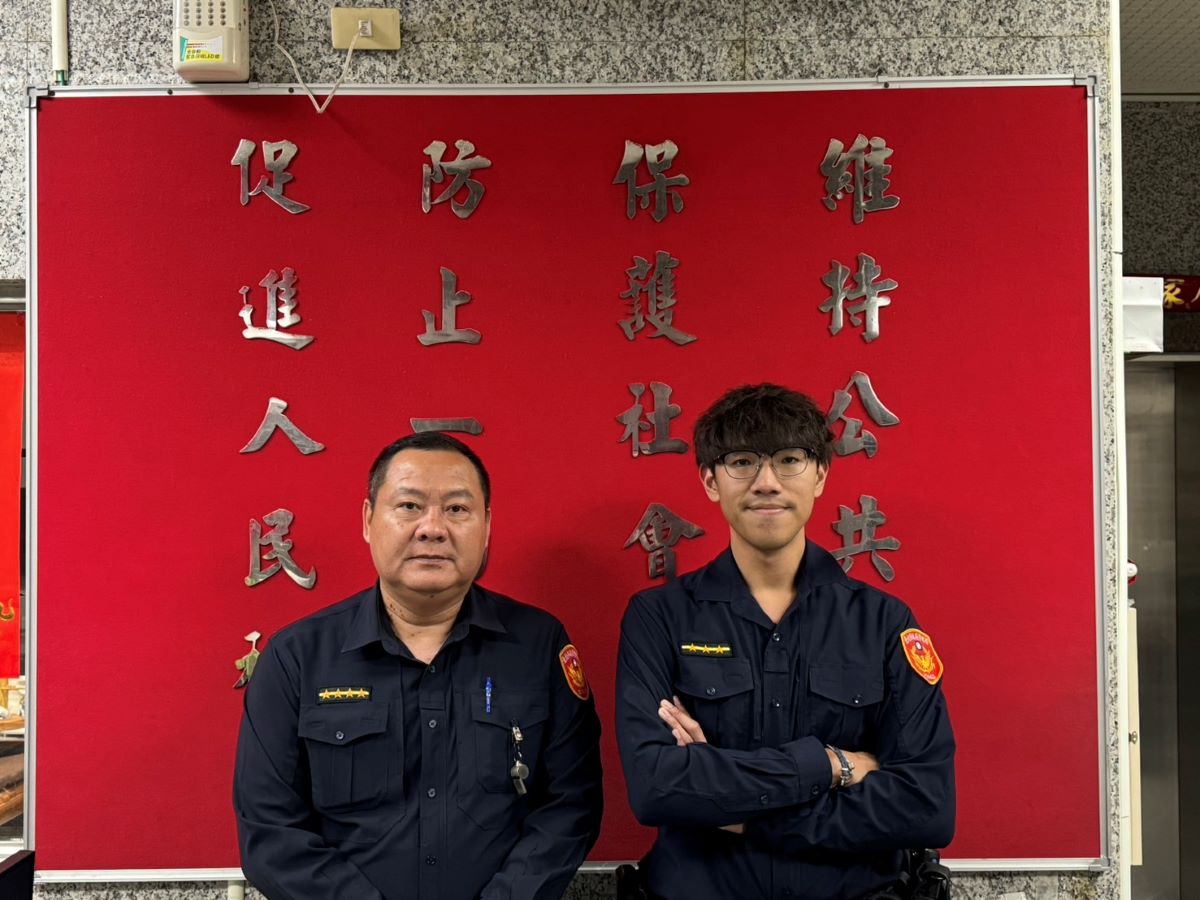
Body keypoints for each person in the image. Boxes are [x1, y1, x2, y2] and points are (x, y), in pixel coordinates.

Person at [616, 384, 955, 900]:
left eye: (790, 460)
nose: (767, 483)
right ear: (710, 480)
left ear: (820, 474)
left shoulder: (885, 622)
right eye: (742, 462)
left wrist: (739, 813)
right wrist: (832, 765)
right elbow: (656, 787)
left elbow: (926, 806)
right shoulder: (659, 618)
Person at [235, 432, 603, 900]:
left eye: (457, 509)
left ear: (487, 526)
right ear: (368, 520)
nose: (433, 528)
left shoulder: (539, 645)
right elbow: (271, 832)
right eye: (409, 506)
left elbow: (571, 805)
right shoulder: (297, 657)